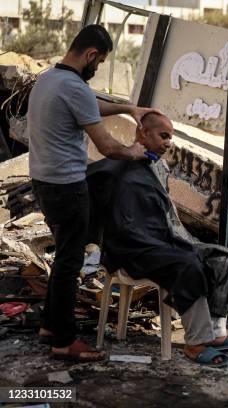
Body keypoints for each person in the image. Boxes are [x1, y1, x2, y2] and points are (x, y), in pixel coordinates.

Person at [28, 24, 160, 362]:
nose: (97, 68)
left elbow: (88, 106)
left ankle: (50, 326)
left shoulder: (49, 79)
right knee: (71, 262)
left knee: (64, 257)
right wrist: (136, 153)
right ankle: (64, 341)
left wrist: (128, 109)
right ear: (90, 55)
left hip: (43, 182)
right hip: (67, 187)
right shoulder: (76, 88)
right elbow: (107, 145)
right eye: (99, 62)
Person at [87, 112, 228, 367]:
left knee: (223, 258)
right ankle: (195, 344)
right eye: (163, 136)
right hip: (132, 249)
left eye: (170, 138)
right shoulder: (114, 170)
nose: (168, 143)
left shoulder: (155, 168)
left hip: (159, 242)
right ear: (143, 133)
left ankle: (217, 335)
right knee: (187, 264)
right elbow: (123, 226)